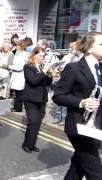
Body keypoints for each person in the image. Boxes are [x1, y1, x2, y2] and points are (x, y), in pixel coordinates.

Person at [52, 31, 102, 180]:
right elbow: (58, 96)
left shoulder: (100, 68)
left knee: (78, 167)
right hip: (79, 126)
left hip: (97, 127)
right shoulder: (73, 68)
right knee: (96, 173)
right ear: (90, 48)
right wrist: (81, 102)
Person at [21, 47, 52, 153]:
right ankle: (26, 144)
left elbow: (47, 83)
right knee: (32, 121)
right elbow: (33, 81)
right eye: (40, 56)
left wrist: (50, 75)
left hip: (42, 98)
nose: (42, 58)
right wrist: (43, 71)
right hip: (31, 98)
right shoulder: (28, 67)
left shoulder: (42, 67)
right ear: (33, 55)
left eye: (43, 56)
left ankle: (31, 143)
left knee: (38, 123)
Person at [7, 40, 29, 112]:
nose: (16, 46)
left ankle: (18, 108)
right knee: (17, 93)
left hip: (19, 76)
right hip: (16, 75)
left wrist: (10, 67)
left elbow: (20, 67)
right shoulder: (18, 53)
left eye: (17, 45)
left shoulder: (23, 55)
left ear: (20, 46)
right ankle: (16, 107)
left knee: (19, 93)